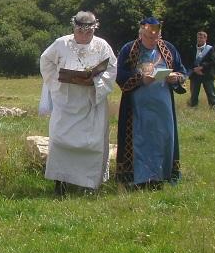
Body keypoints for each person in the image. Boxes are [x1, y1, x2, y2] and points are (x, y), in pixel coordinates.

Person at [39, 11, 117, 195]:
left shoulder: (102, 46)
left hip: (92, 102)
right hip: (66, 101)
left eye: (88, 32)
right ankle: (61, 183)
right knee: (60, 141)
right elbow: (46, 61)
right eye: (80, 32)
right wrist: (59, 81)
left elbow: (112, 68)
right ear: (74, 28)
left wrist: (94, 81)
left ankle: (89, 184)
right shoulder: (61, 44)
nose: (84, 36)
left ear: (94, 29)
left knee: (92, 144)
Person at [115, 17, 187, 189]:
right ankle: (139, 177)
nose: (152, 41)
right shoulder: (129, 49)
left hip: (163, 107)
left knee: (164, 137)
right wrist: (140, 79)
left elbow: (182, 71)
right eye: (148, 37)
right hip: (137, 107)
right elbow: (120, 76)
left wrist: (176, 78)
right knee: (140, 139)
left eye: (156, 38)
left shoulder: (168, 49)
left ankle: (163, 175)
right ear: (141, 34)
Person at [188, 30, 215, 109]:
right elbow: (188, 60)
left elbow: (212, 61)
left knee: (211, 93)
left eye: (201, 38)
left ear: (205, 39)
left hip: (206, 74)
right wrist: (195, 69)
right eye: (198, 37)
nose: (199, 39)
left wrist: (201, 68)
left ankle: (214, 108)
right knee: (194, 94)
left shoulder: (210, 49)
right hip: (195, 75)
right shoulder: (192, 48)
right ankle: (193, 108)